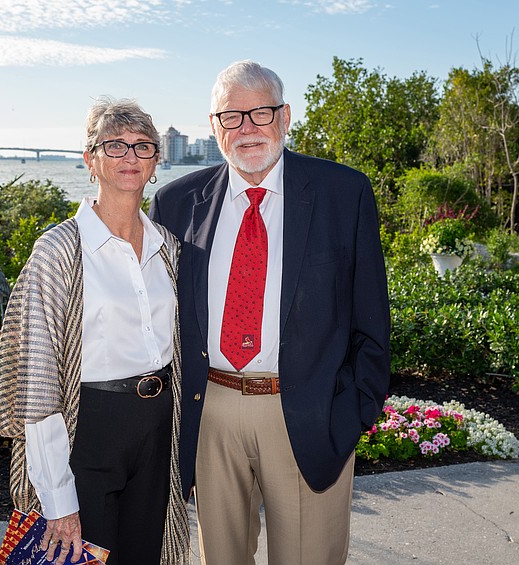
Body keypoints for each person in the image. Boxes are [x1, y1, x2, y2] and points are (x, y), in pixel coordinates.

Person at [149, 60, 390, 564]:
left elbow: (371, 319)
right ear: (213, 128)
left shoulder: (343, 194)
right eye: (231, 117)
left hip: (305, 410)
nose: (247, 129)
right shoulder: (175, 203)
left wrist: (352, 412)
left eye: (260, 113)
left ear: (284, 117)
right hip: (211, 410)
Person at [0, 97, 189, 565]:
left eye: (143, 146)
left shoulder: (169, 247)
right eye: (114, 146)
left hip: (158, 425)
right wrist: (57, 500)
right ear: (90, 159)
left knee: (145, 554)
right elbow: (36, 377)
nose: (130, 157)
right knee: (78, 554)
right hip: (89, 426)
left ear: (156, 161)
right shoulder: (59, 250)